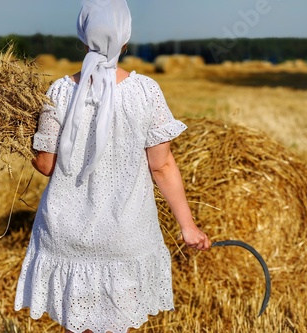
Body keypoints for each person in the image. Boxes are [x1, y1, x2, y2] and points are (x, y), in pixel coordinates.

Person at [14, 1, 211, 332]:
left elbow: (45, 165)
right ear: (125, 39)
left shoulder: (60, 92)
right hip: (127, 234)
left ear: (82, 37)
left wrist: (20, 132)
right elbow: (161, 166)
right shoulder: (145, 91)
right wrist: (187, 226)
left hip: (67, 234)